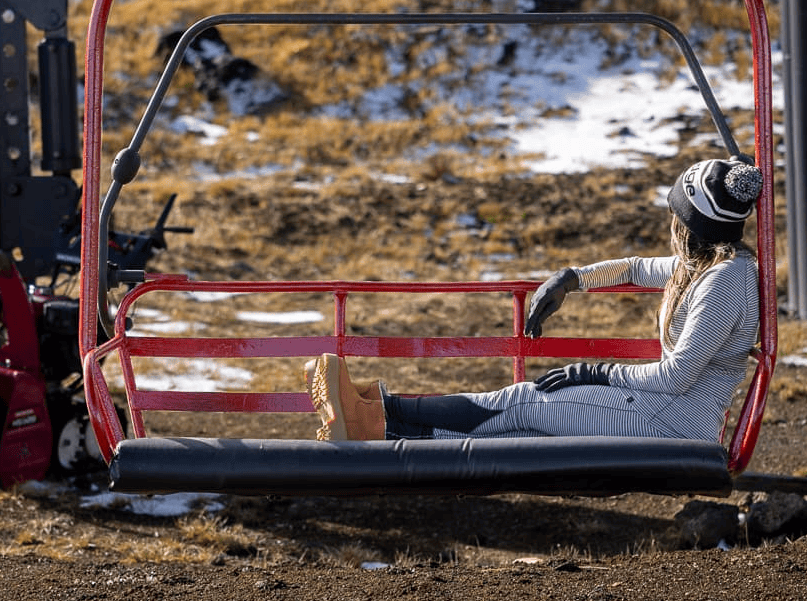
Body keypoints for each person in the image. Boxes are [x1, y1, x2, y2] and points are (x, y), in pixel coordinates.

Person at [305, 157, 763, 444]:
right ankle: (380, 421)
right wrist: (571, 279)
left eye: (675, 213)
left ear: (692, 224)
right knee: (520, 421)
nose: (670, 223)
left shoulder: (723, 283)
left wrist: (595, 373)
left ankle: (381, 419)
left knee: (525, 403)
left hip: (673, 421)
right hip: (659, 409)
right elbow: (634, 268)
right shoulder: (702, 263)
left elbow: (676, 376)